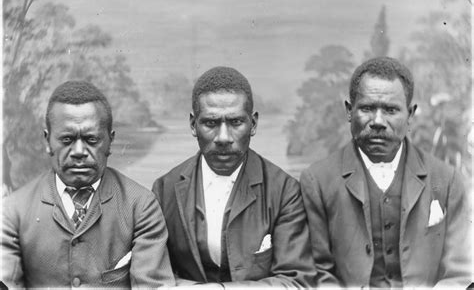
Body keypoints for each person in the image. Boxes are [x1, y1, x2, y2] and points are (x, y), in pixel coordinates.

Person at [300, 57, 471, 287]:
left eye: (391, 110)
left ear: (410, 115)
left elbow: (460, 273)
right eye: (367, 108)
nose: (378, 121)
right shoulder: (317, 181)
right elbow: (318, 273)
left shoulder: (447, 180)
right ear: (350, 111)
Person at [152, 66, 316, 287]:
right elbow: (154, 277)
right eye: (211, 122)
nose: (223, 137)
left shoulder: (285, 191)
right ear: (193, 124)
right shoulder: (165, 189)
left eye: (235, 122)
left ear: (253, 124)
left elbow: (296, 282)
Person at [1, 81, 175, 288]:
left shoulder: (141, 206)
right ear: (48, 141)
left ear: (110, 142)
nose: (78, 151)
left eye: (91, 139)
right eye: (66, 139)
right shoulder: (13, 211)